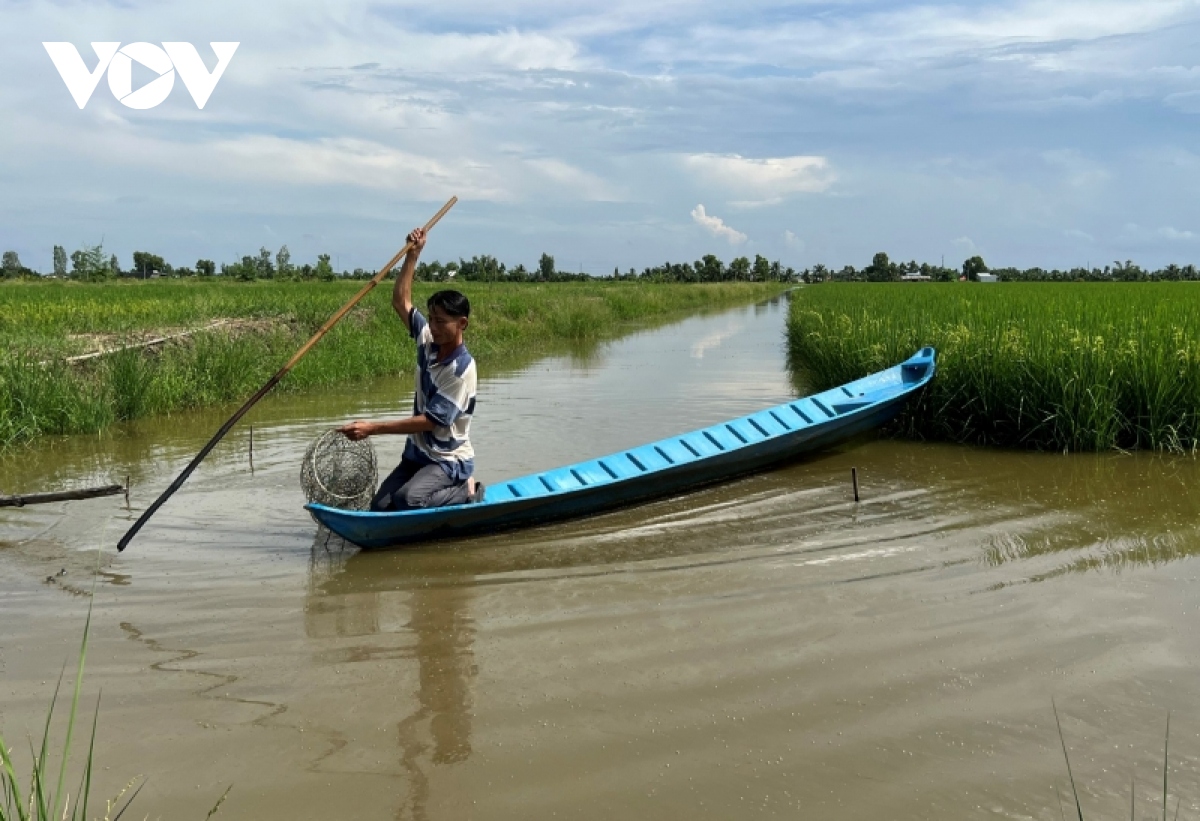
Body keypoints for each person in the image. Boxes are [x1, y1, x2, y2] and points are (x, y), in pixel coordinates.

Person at [338, 226, 483, 510]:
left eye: (442, 321)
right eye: (432, 318)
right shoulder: (428, 338)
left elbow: (432, 421)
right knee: (379, 507)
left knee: (409, 499)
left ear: (461, 324)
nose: (434, 326)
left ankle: (466, 491)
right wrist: (413, 256)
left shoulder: (461, 370)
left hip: (447, 460)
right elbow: (400, 301)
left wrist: (372, 427)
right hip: (418, 454)